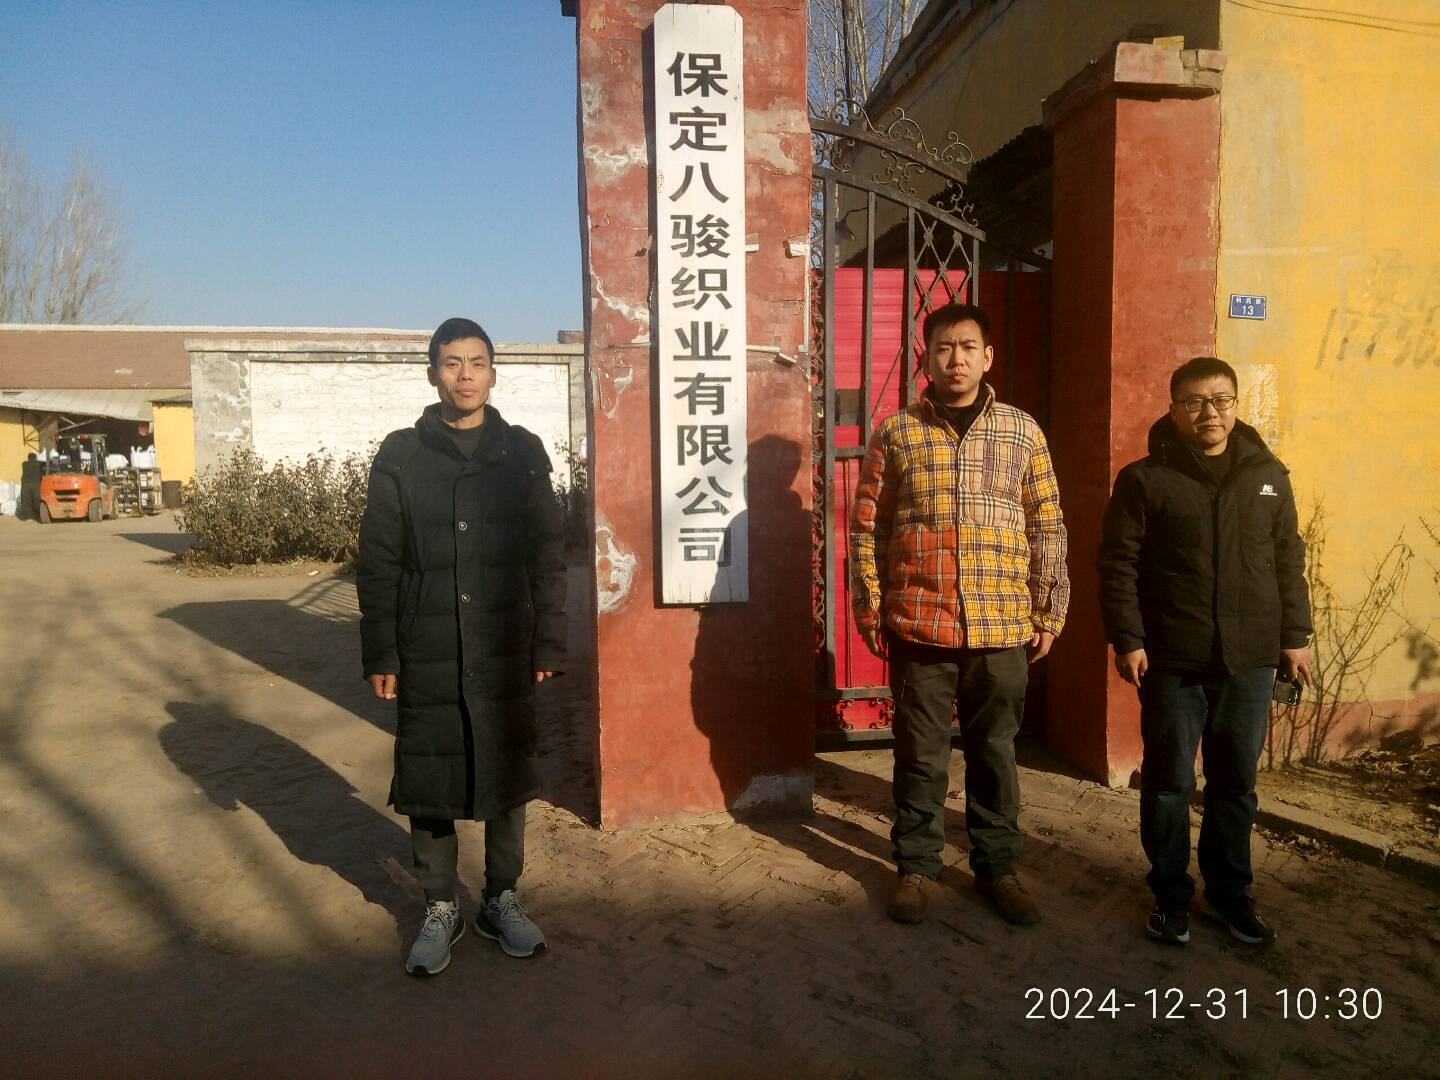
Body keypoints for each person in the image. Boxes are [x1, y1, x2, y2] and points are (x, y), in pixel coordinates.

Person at [357, 317, 566, 975]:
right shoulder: (401, 456)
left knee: (508, 770)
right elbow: (378, 561)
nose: (465, 375)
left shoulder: (522, 453)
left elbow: (548, 556)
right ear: (432, 374)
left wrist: (549, 641)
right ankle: (440, 905)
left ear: (493, 374)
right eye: (452, 363)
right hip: (428, 642)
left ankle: (501, 897)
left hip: (505, 641)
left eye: (476, 362)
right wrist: (381, 651)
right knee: (428, 772)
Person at [850, 302, 1069, 926]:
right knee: (920, 754)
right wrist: (871, 604)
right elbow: (869, 527)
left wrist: (1050, 609)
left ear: (987, 356)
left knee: (994, 753)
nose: (956, 359)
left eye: (968, 347)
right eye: (944, 348)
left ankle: (997, 867)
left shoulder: (1022, 432)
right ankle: (917, 868)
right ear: (926, 359)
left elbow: (1047, 524)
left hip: (1002, 625)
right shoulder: (897, 434)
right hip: (921, 622)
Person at [1098, 356, 1312, 947]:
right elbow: (1118, 563)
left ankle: (1229, 892)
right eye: (1193, 402)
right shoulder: (1145, 479)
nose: (1208, 413)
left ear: (1236, 405)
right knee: (1168, 782)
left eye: (1220, 400)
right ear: (1173, 410)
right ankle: (1170, 895)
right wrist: (1128, 638)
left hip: (1250, 659)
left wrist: (1295, 636)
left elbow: (1289, 558)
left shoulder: (1268, 475)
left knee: (1235, 783)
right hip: (1173, 658)